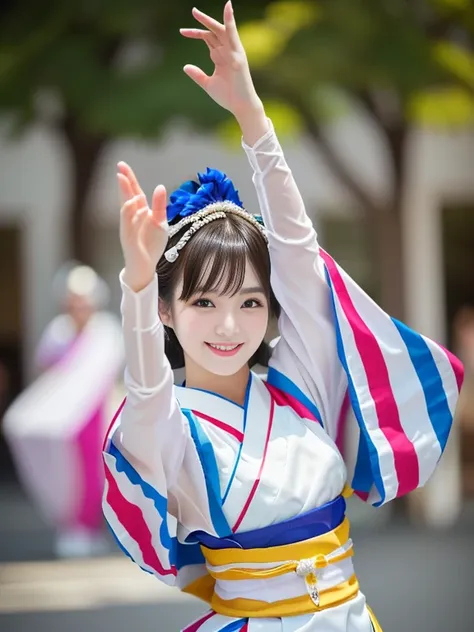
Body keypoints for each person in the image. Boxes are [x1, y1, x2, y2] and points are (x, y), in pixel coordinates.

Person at [102, 3, 464, 631]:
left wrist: (252, 118)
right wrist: (135, 286)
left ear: (273, 312)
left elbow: (299, 257)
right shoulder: (166, 426)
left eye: (250, 302)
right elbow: (146, 390)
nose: (228, 326)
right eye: (203, 302)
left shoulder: (301, 388)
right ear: (166, 310)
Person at [4, 263, 124, 558]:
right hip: (62, 419)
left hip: (96, 415)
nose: (79, 306)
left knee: (96, 471)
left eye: (84, 300)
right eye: (74, 300)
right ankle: (70, 525)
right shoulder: (58, 330)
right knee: (62, 471)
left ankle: (88, 527)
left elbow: (110, 372)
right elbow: (48, 368)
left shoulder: (106, 330)